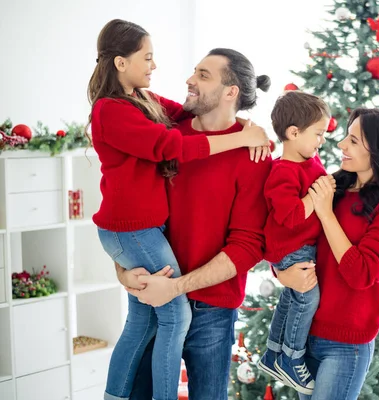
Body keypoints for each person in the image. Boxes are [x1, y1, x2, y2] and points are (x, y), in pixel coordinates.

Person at [89, 20, 270, 400]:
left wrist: (176, 287)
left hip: (210, 311)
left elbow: (249, 245)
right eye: (193, 70)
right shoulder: (170, 129)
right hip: (152, 291)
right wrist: (123, 272)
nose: (188, 79)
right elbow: (127, 216)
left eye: (202, 74)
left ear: (230, 91)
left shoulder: (253, 155)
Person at [276, 108, 379, 400]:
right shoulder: (331, 186)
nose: (341, 145)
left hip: (345, 345)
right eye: (346, 136)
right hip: (302, 337)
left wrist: (325, 212)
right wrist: (282, 273)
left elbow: (362, 274)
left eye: (354, 141)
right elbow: (287, 235)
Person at [257, 91, 333, 394]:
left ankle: (273, 352)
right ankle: (291, 358)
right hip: (290, 247)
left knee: (291, 297)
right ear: (293, 132)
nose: (321, 141)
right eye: (318, 134)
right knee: (307, 298)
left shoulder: (310, 161)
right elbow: (289, 216)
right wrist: (316, 197)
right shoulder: (282, 172)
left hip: (304, 245)